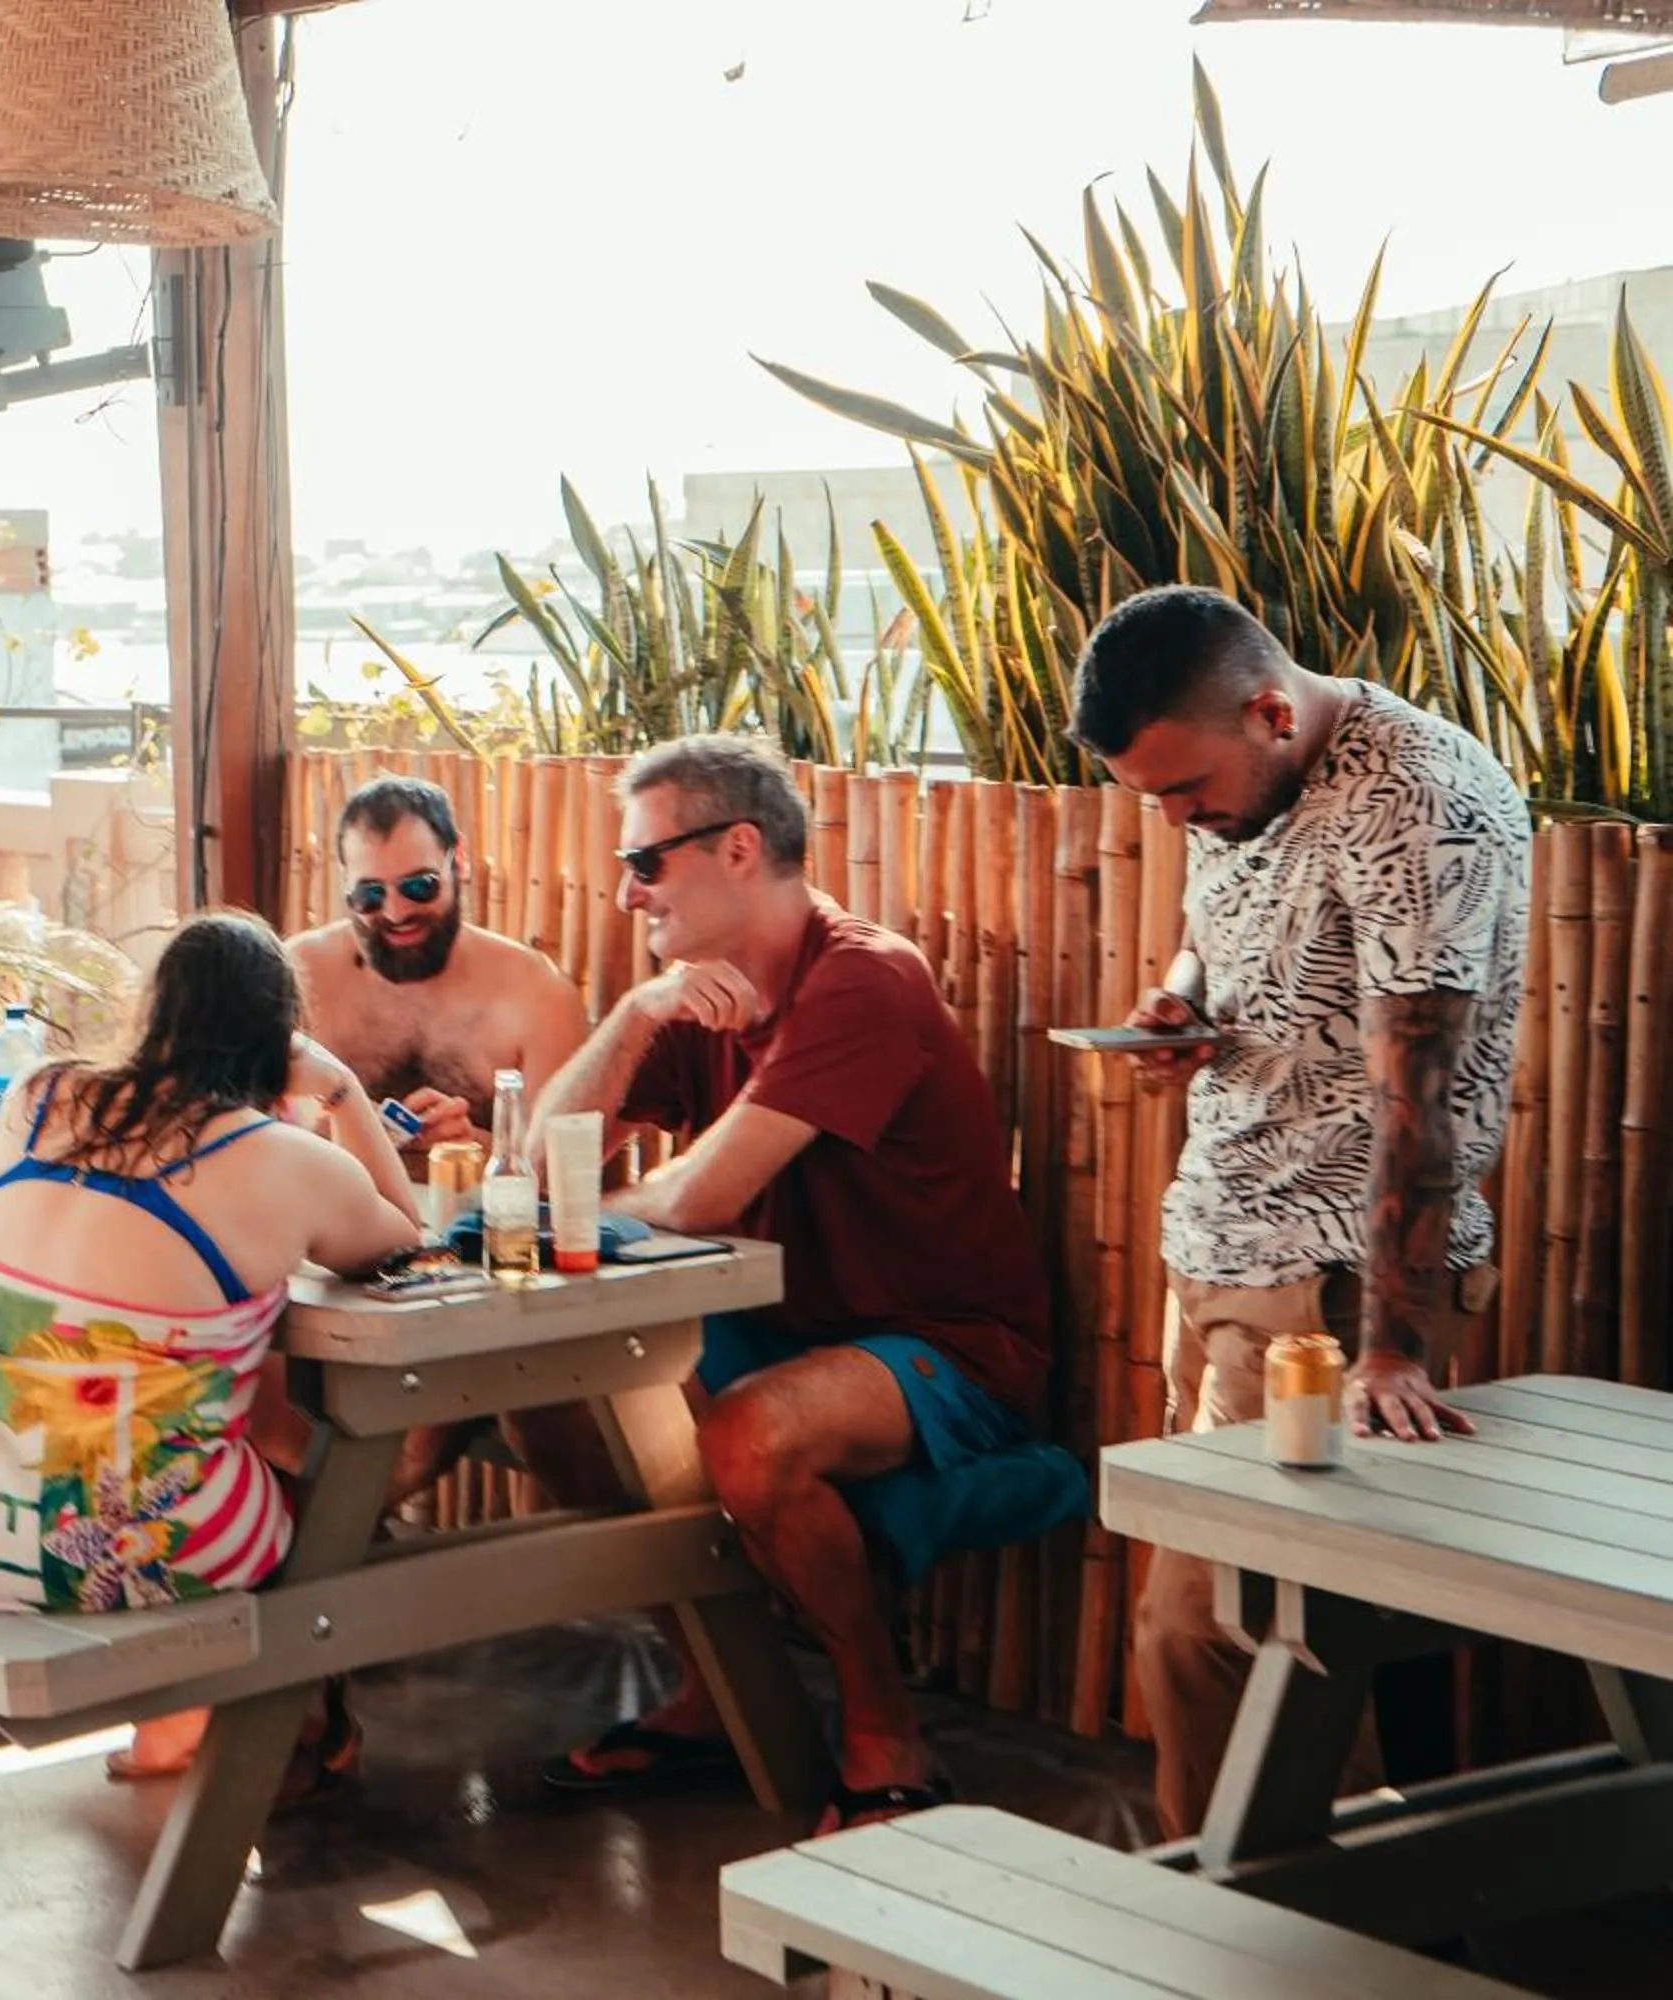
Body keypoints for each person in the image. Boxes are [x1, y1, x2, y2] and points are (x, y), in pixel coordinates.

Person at [521, 735, 1059, 1831]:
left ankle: (882, 1726)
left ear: (738, 847)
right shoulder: (697, 1000)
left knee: (751, 1434)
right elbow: (537, 1167)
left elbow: (699, 1197)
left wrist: (567, 1221)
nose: (627, 894)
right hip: (785, 1327)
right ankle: (715, 1694)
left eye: (646, 864)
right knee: (554, 1396)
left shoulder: (861, 976)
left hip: (951, 1351)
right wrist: (631, 1015)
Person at [1070, 585, 1530, 1841]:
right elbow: (1215, 937)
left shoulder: (1417, 808)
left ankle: (1250, 1943)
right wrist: (1178, 1005)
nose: (1172, 819)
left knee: (1212, 1630)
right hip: (1219, 1254)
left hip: (1327, 1293)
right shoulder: (1244, 770)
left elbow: (1418, 1106)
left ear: (1273, 709)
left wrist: (1388, 1344)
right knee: (1271, 1633)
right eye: (1150, 798)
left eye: (1180, 790)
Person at [0, 911, 422, 1788]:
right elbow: (402, 1238)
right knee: (292, 1472)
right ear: (276, 1036)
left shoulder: (36, 1095)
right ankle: (283, 1724)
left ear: (152, 1012)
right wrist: (342, 1091)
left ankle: (213, 1726)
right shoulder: (281, 1158)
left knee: (180, 1423)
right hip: (95, 1560)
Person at [289, 776, 589, 1152]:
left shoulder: (538, 996)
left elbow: (564, 1169)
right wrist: (342, 1123)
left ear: (458, 860)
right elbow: (246, 1127)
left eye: (419, 886)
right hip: (331, 1205)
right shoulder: (300, 975)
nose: (397, 912)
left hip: (478, 1208)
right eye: (370, 895)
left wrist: (472, 1145)